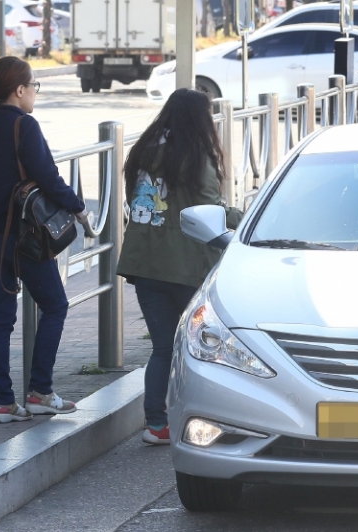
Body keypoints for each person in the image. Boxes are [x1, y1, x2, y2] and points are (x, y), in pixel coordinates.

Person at [0, 57, 91, 424]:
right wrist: (79, 209)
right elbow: (48, 177)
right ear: (19, 90)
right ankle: (39, 392)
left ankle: (3, 403)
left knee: (0, 318)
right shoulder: (24, 126)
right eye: (34, 85)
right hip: (25, 240)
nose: (35, 91)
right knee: (56, 305)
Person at [117, 89, 243, 445]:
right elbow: (211, 209)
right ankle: (202, 420)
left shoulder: (142, 152)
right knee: (199, 346)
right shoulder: (197, 157)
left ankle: (156, 424)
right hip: (187, 266)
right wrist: (245, 216)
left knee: (162, 348)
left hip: (145, 264)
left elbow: (135, 202)